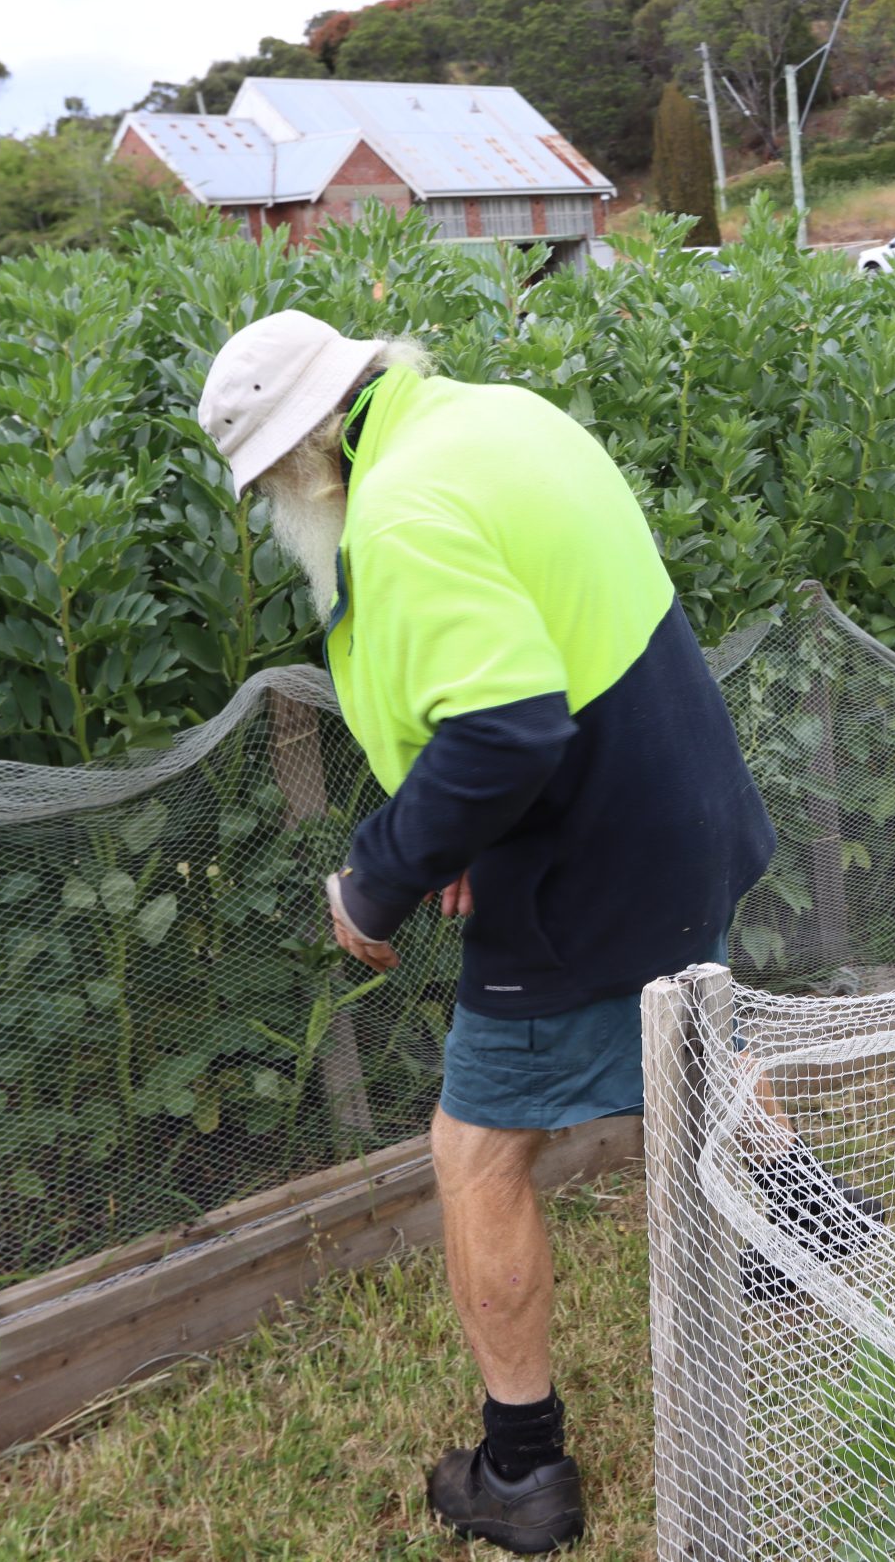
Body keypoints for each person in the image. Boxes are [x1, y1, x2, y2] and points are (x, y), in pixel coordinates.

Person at [197, 310, 776, 1553]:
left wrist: (380, 875)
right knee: (690, 1040)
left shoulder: (397, 510)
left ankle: (521, 1472)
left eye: (269, 493)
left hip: (596, 865)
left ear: (301, 462)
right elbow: (543, 659)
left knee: (475, 1151)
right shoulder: (492, 416)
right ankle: (810, 1242)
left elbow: (505, 729)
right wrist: (470, 832)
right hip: (684, 807)